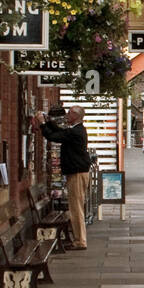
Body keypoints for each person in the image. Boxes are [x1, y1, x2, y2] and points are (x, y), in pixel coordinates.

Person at [34, 106, 92, 250]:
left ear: (75, 115)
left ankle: (80, 241)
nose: (66, 115)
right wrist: (48, 122)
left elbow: (54, 137)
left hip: (77, 173)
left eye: (69, 113)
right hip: (78, 172)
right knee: (76, 206)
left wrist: (42, 124)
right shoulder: (77, 129)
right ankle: (79, 239)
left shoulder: (76, 132)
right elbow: (61, 132)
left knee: (76, 207)